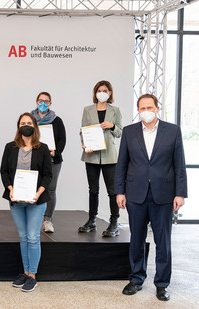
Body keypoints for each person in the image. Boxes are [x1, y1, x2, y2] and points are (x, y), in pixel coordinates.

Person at [116, 94, 187, 302]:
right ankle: (137, 279)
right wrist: (120, 192)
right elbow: (122, 164)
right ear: (138, 110)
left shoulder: (172, 131)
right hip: (135, 194)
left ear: (157, 108)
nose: (145, 111)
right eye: (142, 107)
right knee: (136, 239)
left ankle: (162, 284)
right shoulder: (129, 132)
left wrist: (180, 193)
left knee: (163, 241)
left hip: (163, 195)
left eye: (149, 107)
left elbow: (179, 164)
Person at [0, 112, 52, 293]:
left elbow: (48, 175)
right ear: (18, 126)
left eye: (29, 122)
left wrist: (38, 193)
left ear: (35, 126)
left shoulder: (43, 148)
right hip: (16, 199)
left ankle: (32, 276)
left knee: (32, 237)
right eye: (23, 123)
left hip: (36, 201)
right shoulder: (10, 147)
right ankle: (25, 272)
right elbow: (4, 171)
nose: (26, 125)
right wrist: (10, 189)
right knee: (23, 237)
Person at [79, 80, 122, 237]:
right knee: (93, 190)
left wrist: (111, 126)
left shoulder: (115, 110)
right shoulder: (87, 110)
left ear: (110, 93)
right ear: (95, 93)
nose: (102, 93)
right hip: (91, 155)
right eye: (99, 90)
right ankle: (92, 220)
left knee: (112, 191)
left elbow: (119, 132)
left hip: (109, 156)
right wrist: (84, 144)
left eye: (105, 90)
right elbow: (83, 131)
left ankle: (114, 222)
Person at [31, 92, 66, 233]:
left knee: (50, 190)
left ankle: (47, 220)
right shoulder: (30, 119)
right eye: (40, 100)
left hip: (52, 160)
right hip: (33, 160)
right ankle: (34, 219)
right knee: (33, 189)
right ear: (36, 101)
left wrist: (55, 152)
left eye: (46, 101)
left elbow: (62, 141)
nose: (43, 103)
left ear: (50, 103)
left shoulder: (57, 120)